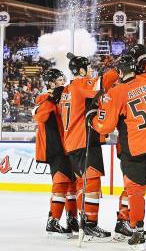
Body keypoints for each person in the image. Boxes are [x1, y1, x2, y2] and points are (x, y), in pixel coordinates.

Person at [91, 55, 146, 249]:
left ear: (119, 73)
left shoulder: (117, 92)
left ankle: (138, 231)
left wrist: (92, 117)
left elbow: (106, 126)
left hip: (136, 147)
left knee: (135, 191)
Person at [59, 54, 111, 239]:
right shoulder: (81, 85)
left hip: (72, 142)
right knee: (92, 181)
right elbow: (103, 83)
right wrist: (118, 68)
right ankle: (90, 223)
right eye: (88, 67)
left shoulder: (67, 89)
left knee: (82, 182)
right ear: (80, 71)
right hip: (83, 141)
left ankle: (84, 221)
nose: (91, 71)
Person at [33, 68, 78, 237]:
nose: (63, 82)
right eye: (59, 80)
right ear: (51, 83)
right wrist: (51, 99)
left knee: (72, 184)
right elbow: (40, 117)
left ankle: (72, 218)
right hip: (56, 148)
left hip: (68, 146)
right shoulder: (46, 99)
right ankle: (53, 220)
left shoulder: (63, 97)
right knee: (61, 182)